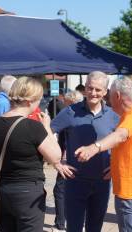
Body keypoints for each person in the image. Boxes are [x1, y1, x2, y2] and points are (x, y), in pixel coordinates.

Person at [75, 77, 132, 232]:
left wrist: (94, 148)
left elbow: (120, 136)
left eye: (110, 95)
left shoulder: (130, 117)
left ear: (117, 96)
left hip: (130, 193)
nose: (108, 98)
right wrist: (128, 168)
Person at [0, 76, 73, 231]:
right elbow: (56, 156)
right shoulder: (33, 127)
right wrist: (46, 126)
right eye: (39, 99)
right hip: (28, 192)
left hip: (3, 191)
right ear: (29, 101)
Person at [51, 71, 119, 232]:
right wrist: (56, 162)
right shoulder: (70, 111)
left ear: (105, 92)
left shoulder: (113, 115)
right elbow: (48, 132)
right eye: (90, 88)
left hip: (102, 182)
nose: (93, 93)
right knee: (74, 228)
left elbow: (123, 142)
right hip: (76, 181)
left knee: (95, 228)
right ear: (85, 88)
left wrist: (116, 166)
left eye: (98, 89)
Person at [51, 90, 84, 232]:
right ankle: (77, 221)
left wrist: (61, 158)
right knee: (76, 191)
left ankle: (60, 223)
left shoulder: (69, 115)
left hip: (68, 159)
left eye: (66, 102)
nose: (64, 104)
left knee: (60, 190)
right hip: (81, 159)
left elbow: (64, 139)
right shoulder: (83, 116)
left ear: (71, 102)